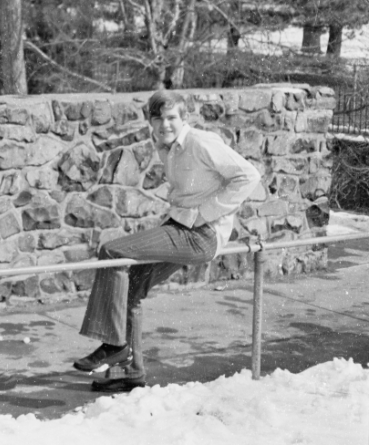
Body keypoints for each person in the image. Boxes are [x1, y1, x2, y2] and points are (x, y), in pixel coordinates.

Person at [73, 89, 261, 393]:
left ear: (184, 118)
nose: (165, 125)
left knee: (112, 251)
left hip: (201, 235)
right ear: (151, 121)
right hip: (181, 227)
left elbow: (248, 176)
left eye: (172, 117)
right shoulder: (166, 146)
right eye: (158, 119)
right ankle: (133, 372)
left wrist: (205, 213)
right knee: (131, 286)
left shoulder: (201, 142)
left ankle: (114, 345)